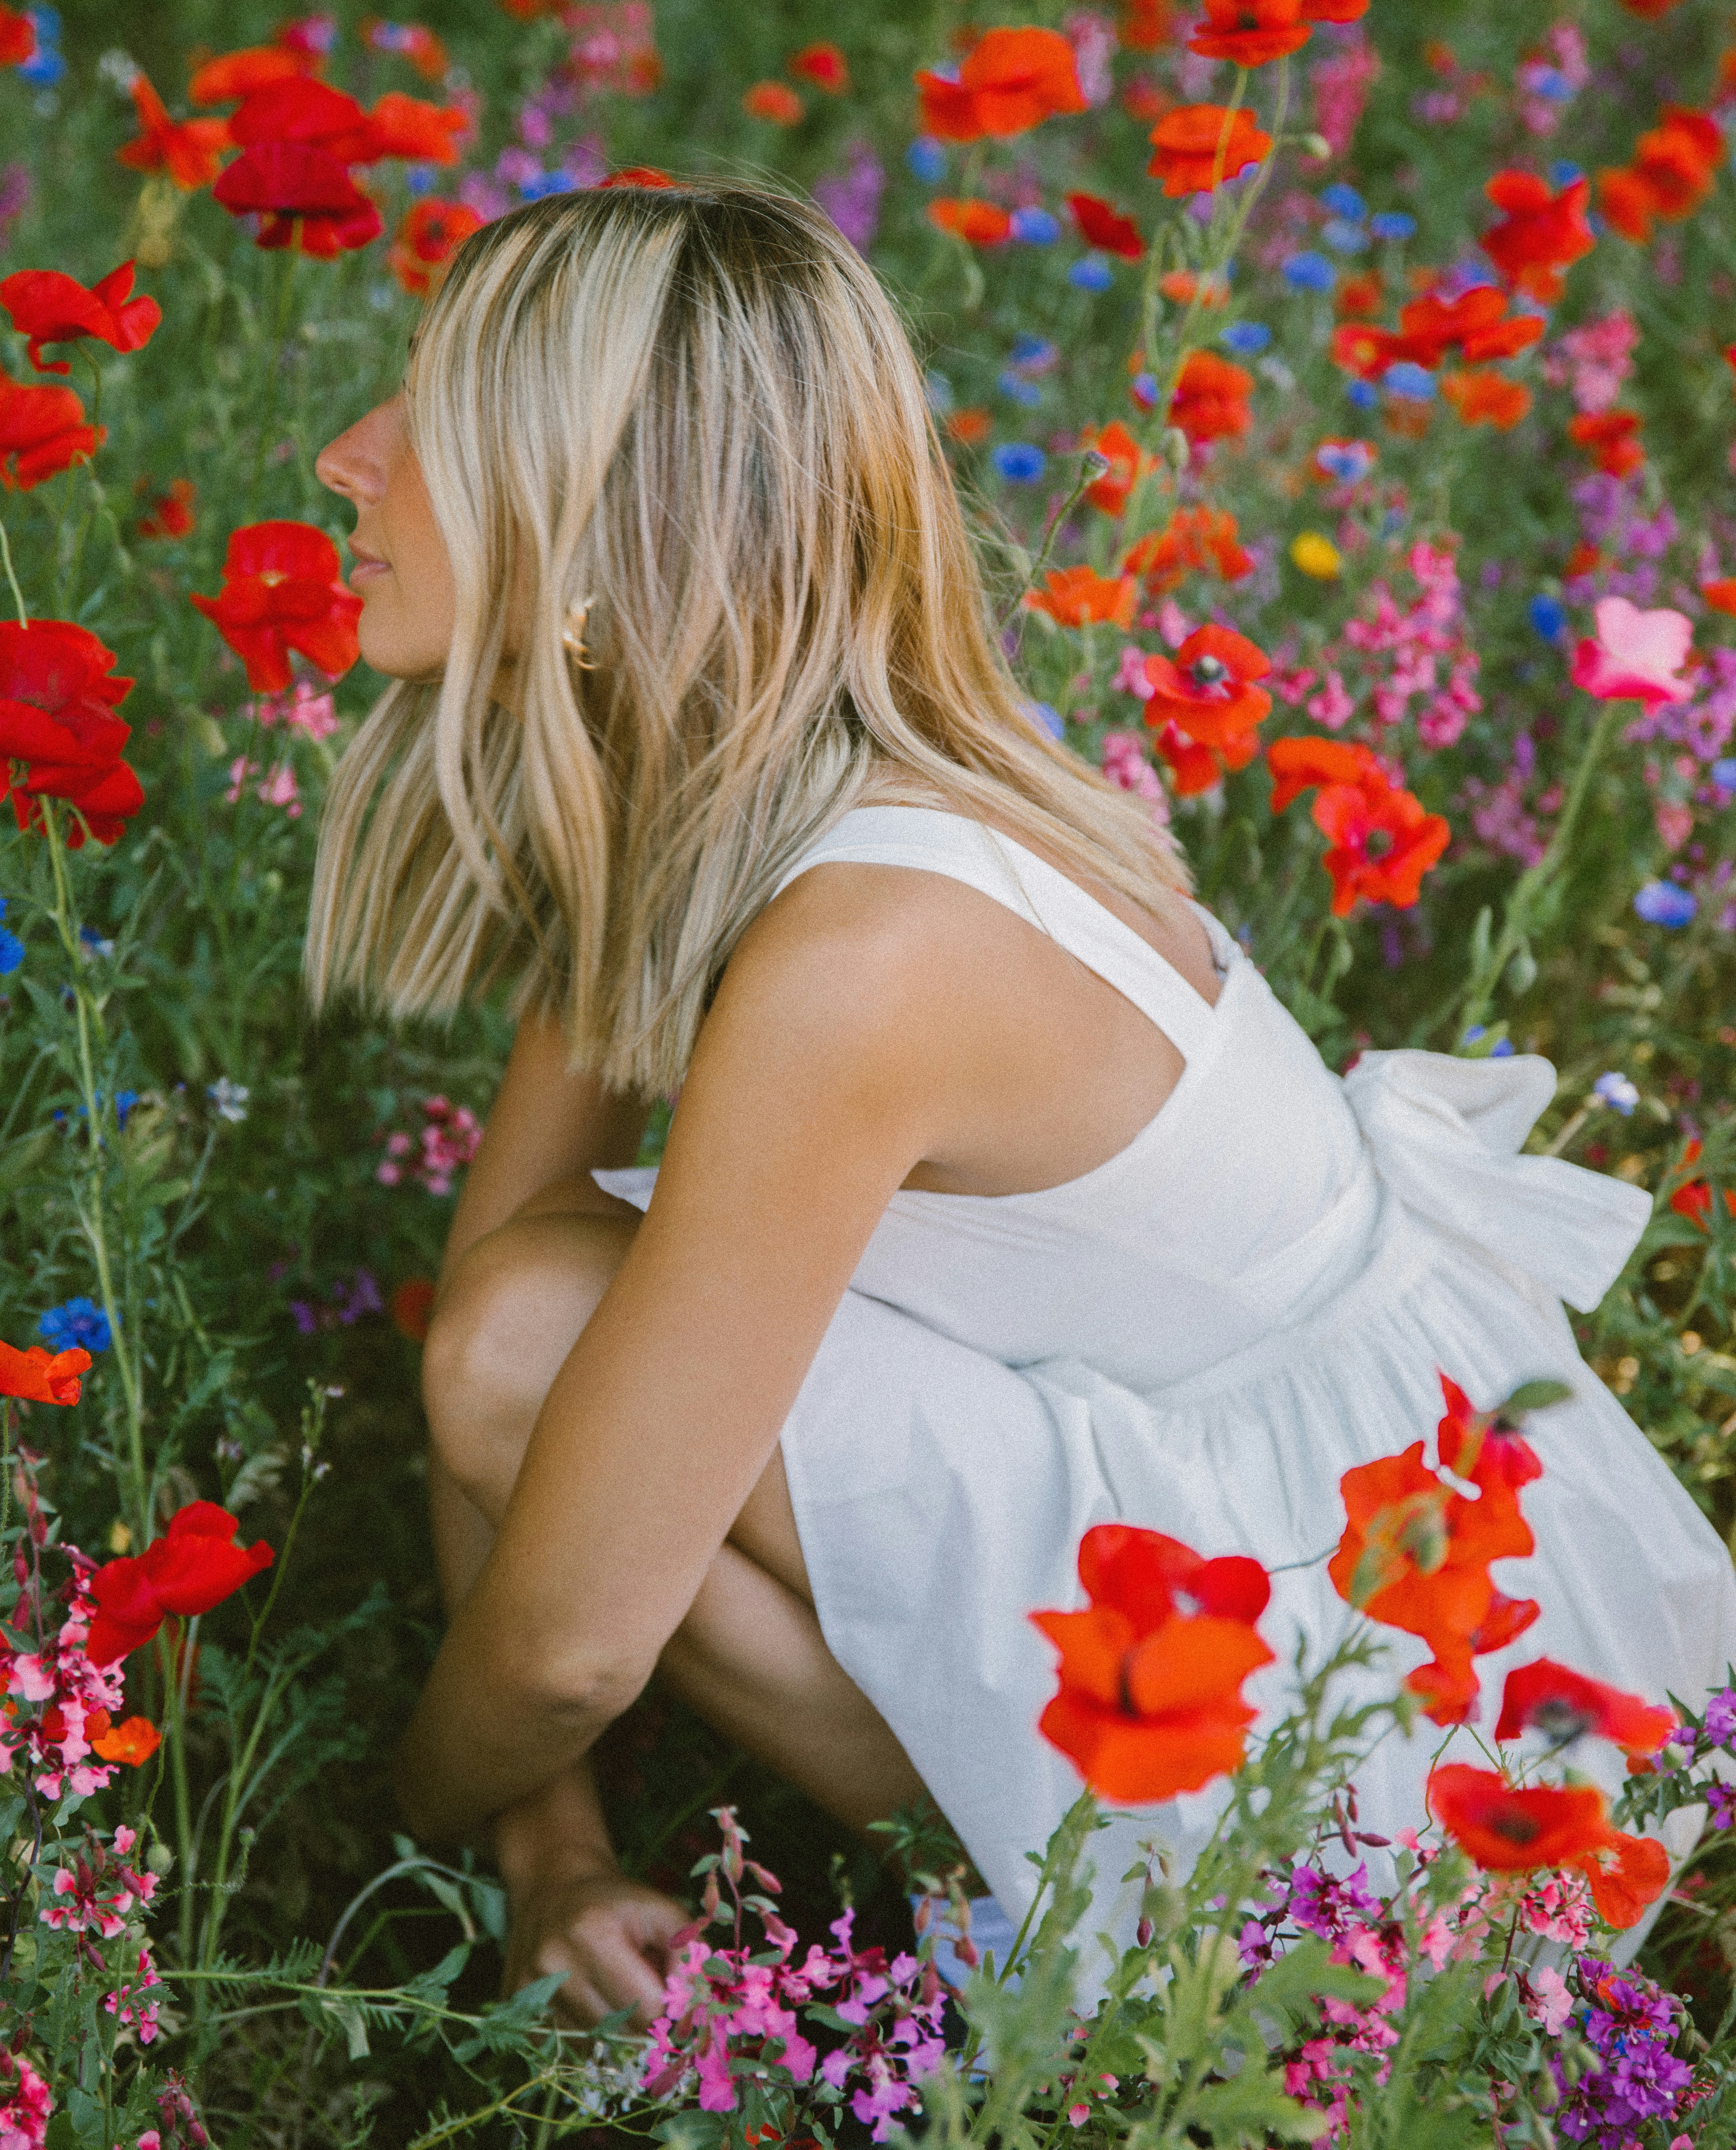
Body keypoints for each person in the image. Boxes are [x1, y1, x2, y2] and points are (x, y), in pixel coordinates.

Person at [309, 182, 1736, 2028]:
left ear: (597, 540)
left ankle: (1140, 1967)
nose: (348, 460)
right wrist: (549, 1854)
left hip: (1388, 1750)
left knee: (535, 1347)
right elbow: (495, 1321)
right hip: (1260, 1561)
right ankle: (1045, 1893)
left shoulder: (868, 949)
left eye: (434, 409)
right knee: (529, 1321)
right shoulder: (722, 792)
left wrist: (392, 1817)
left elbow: (572, 1624)